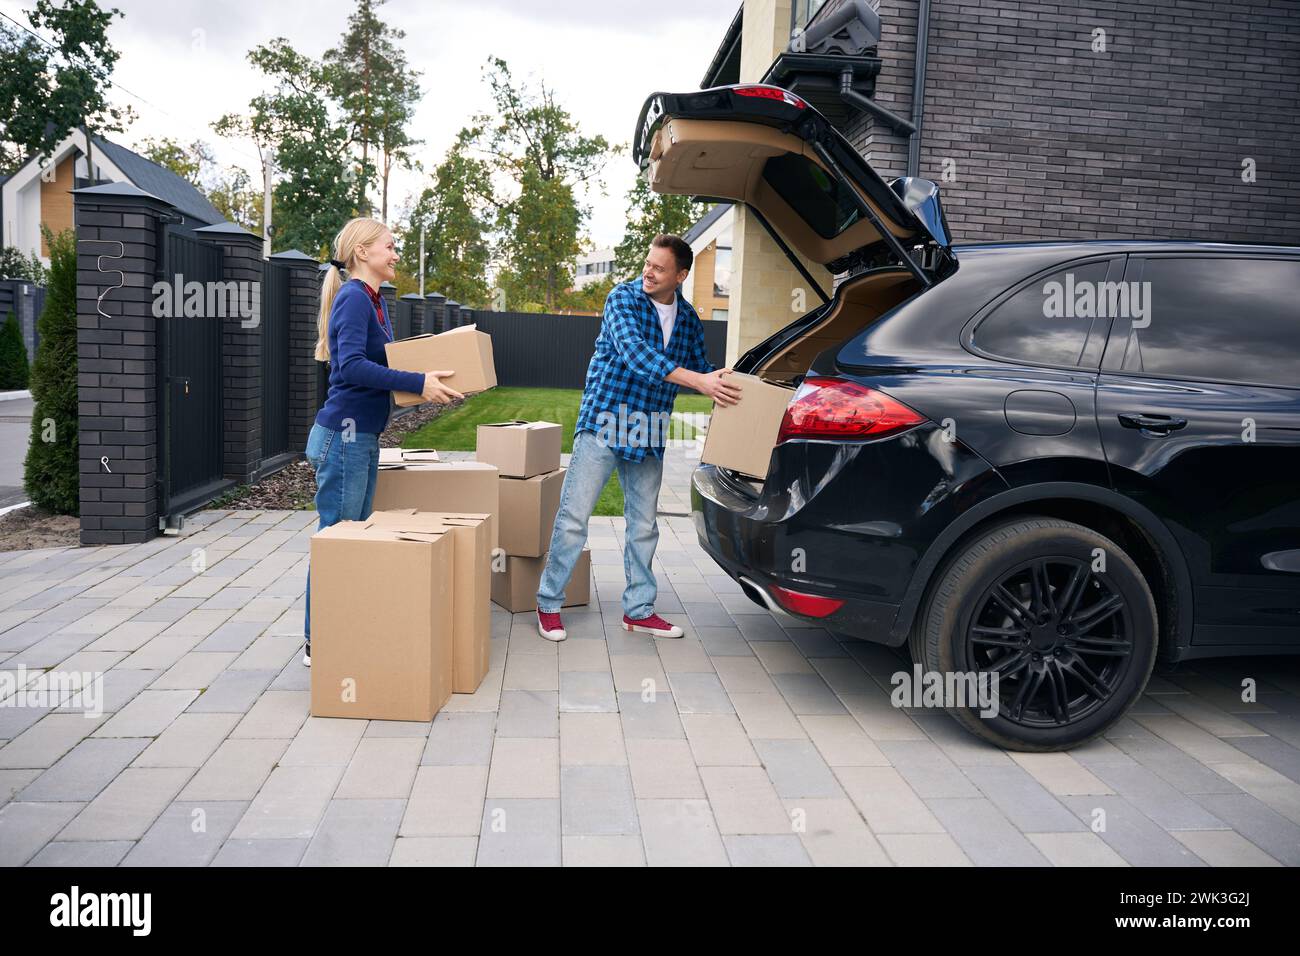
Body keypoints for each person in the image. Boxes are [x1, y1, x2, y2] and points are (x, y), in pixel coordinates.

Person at [534, 234, 742, 642]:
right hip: (605, 420)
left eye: (659, 268)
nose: (648, 271)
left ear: (680, 276)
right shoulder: (622, 300)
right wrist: (698, 380)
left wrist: (727, 382)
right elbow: (636, 353)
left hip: (648, 429)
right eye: (648, 263)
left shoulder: (687, 319)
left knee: (644, 524)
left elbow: (700, 366)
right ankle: (548, 603)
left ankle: (639, 609)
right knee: (574, 519)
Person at [301, 217, 462, 665]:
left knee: (352, 536)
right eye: (389, 247)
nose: (395, 254)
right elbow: (349, 367)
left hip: (361, 437)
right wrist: (417, 381)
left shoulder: (373, 301)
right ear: (362, 252)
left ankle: (342, 626)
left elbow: (383, 364)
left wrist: (427, 381)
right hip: (344, 437)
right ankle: (321, 640)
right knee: (338, 538)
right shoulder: (354, 297)